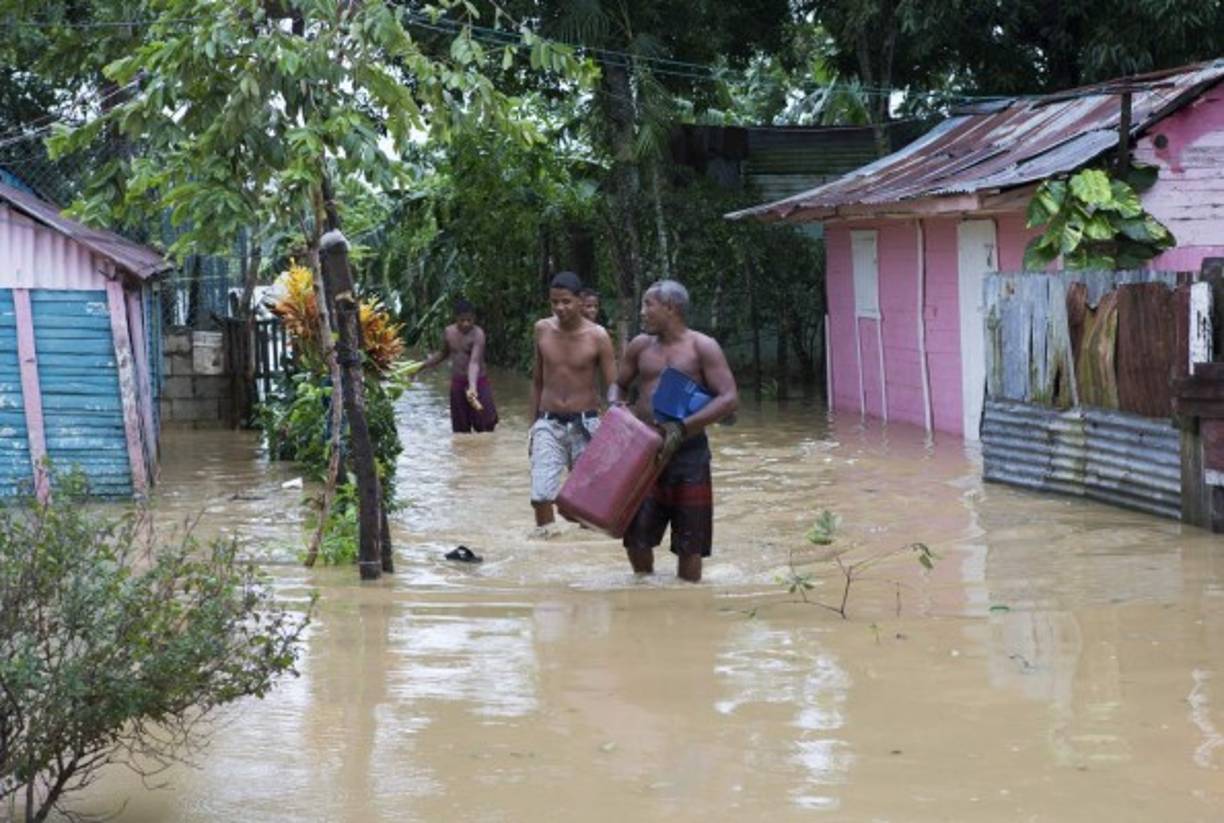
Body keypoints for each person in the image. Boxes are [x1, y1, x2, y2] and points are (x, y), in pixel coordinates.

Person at [609, 279, 738, 583]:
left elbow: (729, 397)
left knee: (690, 543)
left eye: (648, 305)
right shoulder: (640, 345)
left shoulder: (702, 346)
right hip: (644, 452)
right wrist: (616, 406)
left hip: (689, 455)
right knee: (636, 534)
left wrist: (682, 427)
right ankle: (644, 589)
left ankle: (686, 602)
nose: (642, 313)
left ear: (671, 308)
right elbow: (619, 383)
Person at [530, 272, 617, 527]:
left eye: (566, 301)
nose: (560, 308)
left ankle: (581, 557)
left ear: (580, 301)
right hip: (548, 423)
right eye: (554, 302)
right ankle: (545, 544)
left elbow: (613, 387)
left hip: (586, 424)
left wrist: (613, 431)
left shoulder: (598, 336)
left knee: (585, 501)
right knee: (541, 496)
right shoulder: (542, 329)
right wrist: (532, 428)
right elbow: (537, 381)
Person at [420, 298, 499, 433]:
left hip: (478, 382)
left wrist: (473, 388)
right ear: (455, 318)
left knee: (486, 426)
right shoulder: (449, 332)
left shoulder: (478, 334)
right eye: (462, 320)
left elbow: (474, 362)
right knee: (461, 431)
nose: (466, 324)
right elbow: (443, 354)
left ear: (474, 318)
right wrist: (422, 366)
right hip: (458, 383)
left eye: (469, 320)